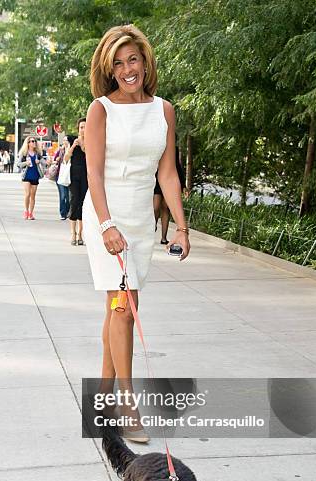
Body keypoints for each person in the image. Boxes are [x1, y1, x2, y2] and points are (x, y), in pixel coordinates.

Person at [83, 25, 190, 442]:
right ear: (109, 69)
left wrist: (181, 226)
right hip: (107, 216)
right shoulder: (101, 110)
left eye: (133, 60)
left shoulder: (163, 109)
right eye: (119, 63)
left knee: (120, 308)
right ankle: (127, 407)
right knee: (122, 308)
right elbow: (93, 173)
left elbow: (167, 171)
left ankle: (103, 395)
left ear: (145, 61)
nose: (128, 70)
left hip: (142, 221)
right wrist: (107, 224)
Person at [153, 146, 186, 243]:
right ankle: (153, 224)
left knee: (166, 208)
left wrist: (183, 185)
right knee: (155, 207)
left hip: (169, 179)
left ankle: (164, 238)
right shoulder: (156, 144)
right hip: (155, 179)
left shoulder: (173, 148)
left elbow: (177, 166)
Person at [66, 118, 87, 244]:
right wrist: (74, 145)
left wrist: (83, 144)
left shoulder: (91, 140)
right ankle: (73, 234)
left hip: (86, 175)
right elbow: (65, 158)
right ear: (78, 128)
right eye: (81, 127)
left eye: (85, 127)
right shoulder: (71, 139)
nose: (83, 130)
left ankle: (80, 234)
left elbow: (88, 153)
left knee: (83, 204)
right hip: (74, 175)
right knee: (74, 202)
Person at [17, 136, 45, 220]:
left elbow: (44, 163)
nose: (34, 143)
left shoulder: (38, 154)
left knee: (33, 196)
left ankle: (31, 213)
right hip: (26, 176)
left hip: (35, 176)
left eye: (35, 141)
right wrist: (26, 163)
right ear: (28, 143)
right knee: (27, 194)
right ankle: (26, 211)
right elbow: (18, 164)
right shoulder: (24, 153)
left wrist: (39, 161)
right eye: (32, 141)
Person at [52, 137, 71, 220]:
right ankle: (63, 213)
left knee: (69, 197)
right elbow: (54, 161)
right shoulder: (60, 151)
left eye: (66, 140)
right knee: (63, 196)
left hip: (70, 176)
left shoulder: (72, 150)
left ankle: (67, 211)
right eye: (64, 140)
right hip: (60, 176)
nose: (65, 142)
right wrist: (57, 159)